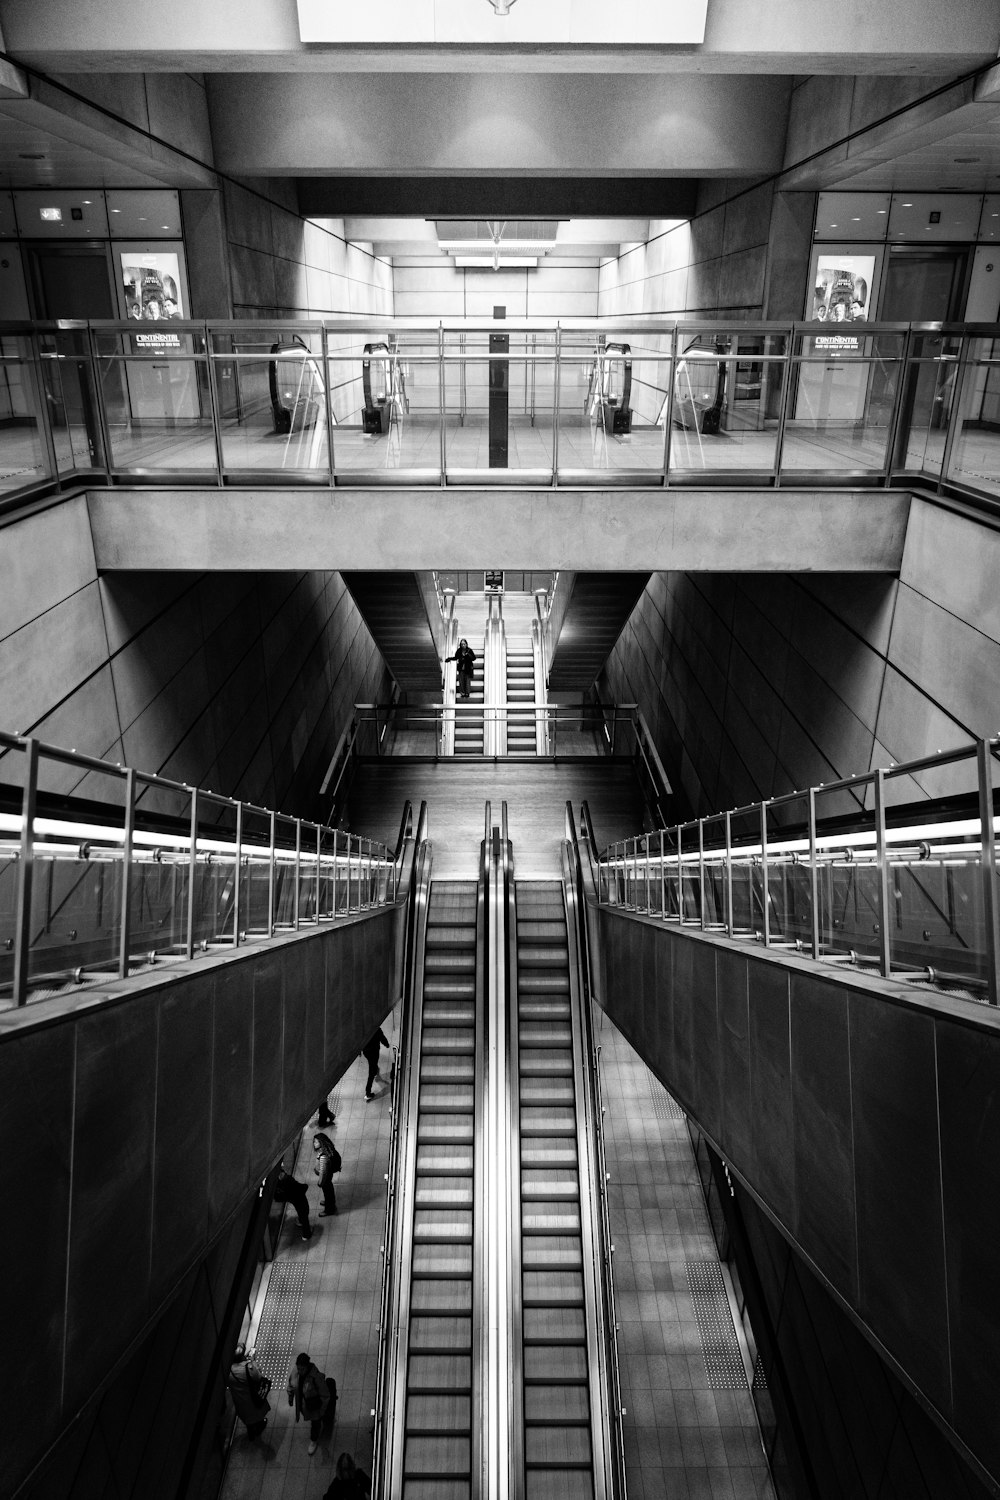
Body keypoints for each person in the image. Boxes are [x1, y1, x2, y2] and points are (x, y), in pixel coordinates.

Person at [287, 1351, 336, 1456]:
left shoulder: (316, 1377)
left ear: (307, 1366)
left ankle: (313, 1440)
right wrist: (290, 1397)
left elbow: (325, 1396)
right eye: (298, 1368)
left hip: (315, 1409)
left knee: (315, 1424)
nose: (300, 1371)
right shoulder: (295, 1372)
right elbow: (291, 1385)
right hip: (304, 1405)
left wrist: (321, 1412)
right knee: (314, 1422)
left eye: (302, 1369)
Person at [228, 1343, 271, 1440]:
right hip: (251, 1397)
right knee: (255, 1414)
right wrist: (253, 1362)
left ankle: (251, 1433)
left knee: (247, 1417)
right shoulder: (248, 1367)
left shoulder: (229, 1370)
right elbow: (258, 1377)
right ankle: (259, 1427)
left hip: (238, 1399)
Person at [273, 1163, 312, 1240]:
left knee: (300, 1211)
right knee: (304, 1213)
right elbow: (302, 1188)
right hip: (299, 1198)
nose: (284, 1173)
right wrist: (305, 1186)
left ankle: (300, 1221)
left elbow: (279, 1198)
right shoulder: (289, 1183)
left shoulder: (280, 1186)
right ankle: (306, 1234)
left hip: (294, 1199)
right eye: (282, 1174)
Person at [313, 1131, 340, 1215]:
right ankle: (330, 1203)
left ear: (321, 1142)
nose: (314, 1143)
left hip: (326, 1177)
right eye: (314, 1141)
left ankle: (329, 1209)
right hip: (329, 1173)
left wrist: (320, 1182)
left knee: (327, 1192)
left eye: (316, 1142)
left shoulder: (324, 1157)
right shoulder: (328, 1149)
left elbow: (323, 1172)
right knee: (329, 1190)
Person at [362, 1027, 390, 1100]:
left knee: (373, 1063)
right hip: (374, 1051)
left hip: (366, 1051)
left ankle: (374, 1070)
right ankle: (368, 1093)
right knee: (371, 1071)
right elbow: (382, 1037)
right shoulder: (376, 1029)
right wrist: (386, 1044)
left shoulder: (363, 1028)